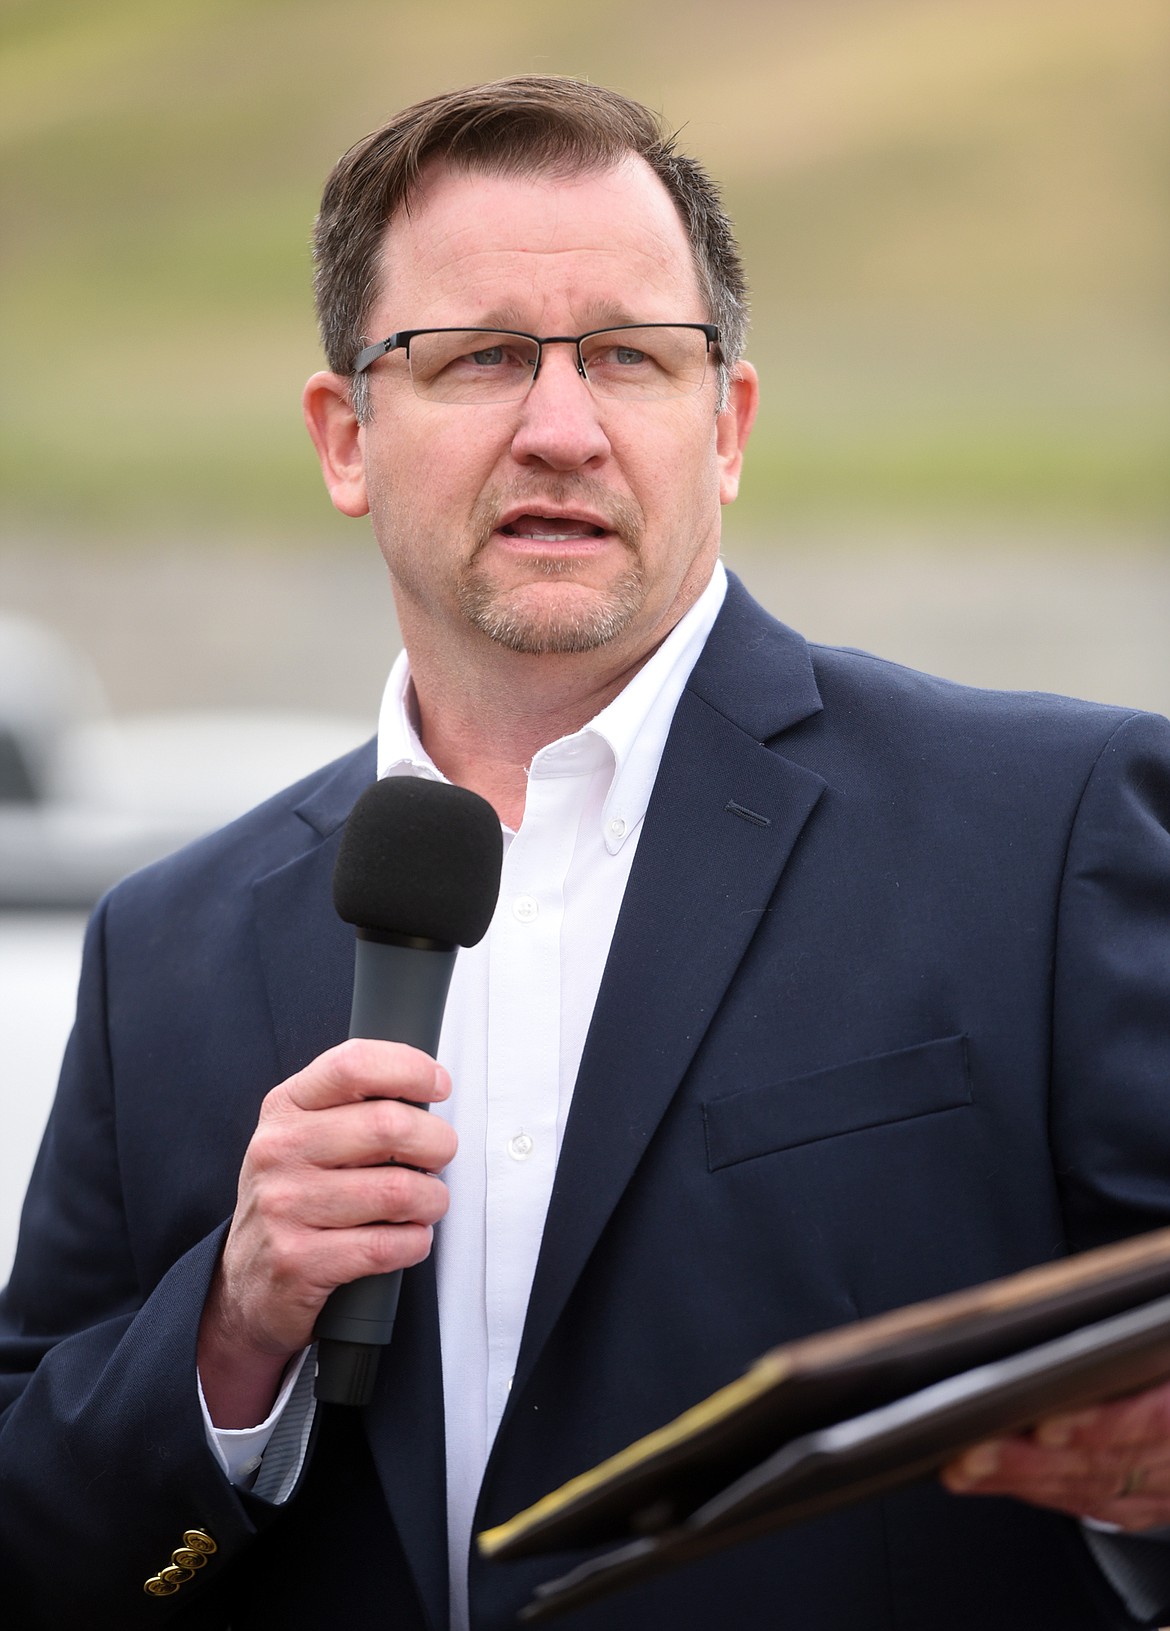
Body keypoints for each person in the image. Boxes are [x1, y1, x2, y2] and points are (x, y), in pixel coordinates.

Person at [2, 75, 1169, 1631]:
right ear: (346, 438)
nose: (562, 428)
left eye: (628, 355)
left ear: (726, 423)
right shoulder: (166, 943)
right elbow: (42, 1559)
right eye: (477, 357)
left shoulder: (1052, 826)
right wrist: (229, 1328)